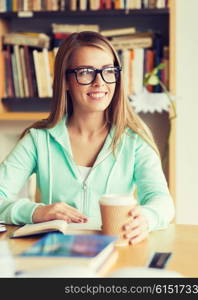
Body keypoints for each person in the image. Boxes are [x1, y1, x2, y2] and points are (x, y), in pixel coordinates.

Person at [0, 31, 174, 245]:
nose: (99, 82)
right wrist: (36, 212)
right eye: (85, 72)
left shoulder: (135, 140)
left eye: (108, 71)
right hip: (56, 257)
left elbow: (162, 202)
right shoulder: (38, 140)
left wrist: (147, 218)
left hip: (116, 252)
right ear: (65, 81)